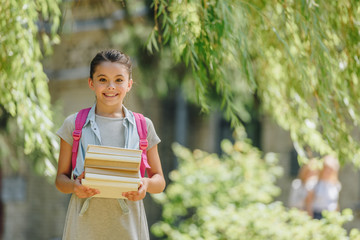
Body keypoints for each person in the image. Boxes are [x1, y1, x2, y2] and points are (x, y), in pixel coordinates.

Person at [55, 49, 166, 240]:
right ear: (91, 83)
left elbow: (159, 181)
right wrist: (74, 186)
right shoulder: (74, 124)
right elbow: (60, 180)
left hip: (129, 227)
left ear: (129, 84)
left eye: (119, 80)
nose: (111, 86)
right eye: (103, 79)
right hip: (83, 227)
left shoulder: (143, 126)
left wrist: (145, 184)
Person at [305, 155, 341, 219]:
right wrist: (310, 217)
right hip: (318, 214)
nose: (328, 172)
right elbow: (308, 202)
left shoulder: (335, 184)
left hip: (331, 215)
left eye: (331, 169)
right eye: (327, 169)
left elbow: (335, 203)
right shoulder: (314, 183)